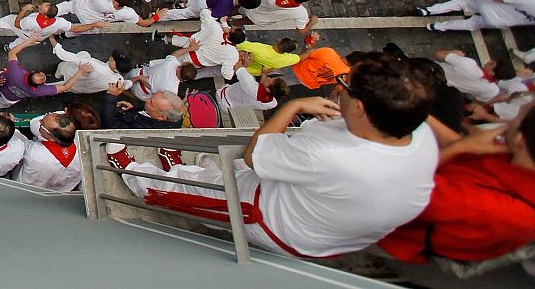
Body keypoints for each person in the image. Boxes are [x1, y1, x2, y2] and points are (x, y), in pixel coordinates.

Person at [106, 52, 438, 258]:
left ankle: (136, 173)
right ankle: (186, 169)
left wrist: (293, 105)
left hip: (265, 215)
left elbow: (256, 154)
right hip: (309, 213)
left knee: (188, 192)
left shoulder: (331, 154)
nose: (338, 89)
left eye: (344, 86)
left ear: (363, 109)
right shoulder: (416, 133)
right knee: (221, 172)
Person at [379, 108, 535, 267]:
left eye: (515, 118)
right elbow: (468, 150)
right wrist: (418, 110)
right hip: (416, 180)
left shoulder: (502, 210)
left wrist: (457, 148)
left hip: (393, 232)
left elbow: (402, 188)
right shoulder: (520, 161)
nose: (507, 123)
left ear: (519, 138)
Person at [13, 109, 89, 191]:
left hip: (25, 188)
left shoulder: (35, 153)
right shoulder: (83, 149)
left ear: (51, 137)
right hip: (60, 191)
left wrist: (10, 125)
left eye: (42, 124)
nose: (40, 121)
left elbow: (19, 141)